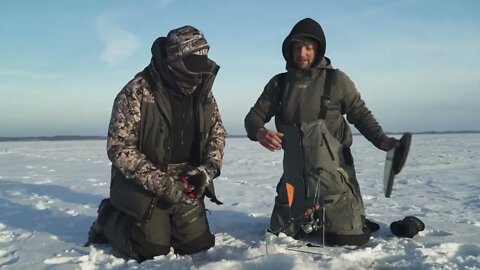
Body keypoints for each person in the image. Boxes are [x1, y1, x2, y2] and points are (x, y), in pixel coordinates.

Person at [244, 18, 398, 246]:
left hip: (332, 175)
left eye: (308, 47)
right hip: (294, 178)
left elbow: (360, 114)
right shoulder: (279, 84)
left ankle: (352, 215)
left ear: (318, 49)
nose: (302, 53)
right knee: (280, 235)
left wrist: (382, 140)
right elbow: (253, 117)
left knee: (348, 238)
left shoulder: (337, 80)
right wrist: (259, 132)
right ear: (289, 50)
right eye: (296, 48)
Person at [85, 25, 226, 261]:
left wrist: (207, 171)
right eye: (193, 63)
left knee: (197, 245)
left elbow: (217, 133)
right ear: (174, 60)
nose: (200, 72)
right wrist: (164, 185)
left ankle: (171, 221)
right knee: (151, 248)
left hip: (186, 179)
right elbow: (119, 148)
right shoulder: (137, 92)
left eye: (202, 62)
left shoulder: (202, 92)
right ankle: (108, 217)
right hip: (144, 181)